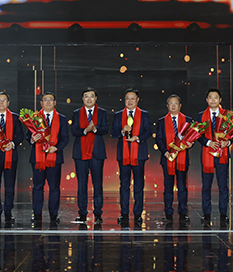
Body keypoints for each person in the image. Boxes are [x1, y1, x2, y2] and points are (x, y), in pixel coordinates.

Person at [111, 87, 152, 226]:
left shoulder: (144, 114)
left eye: (132, 99)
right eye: (127, 98)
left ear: (137, 100)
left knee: (139, 185)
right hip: (123, 155)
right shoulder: (118, 115)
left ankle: (138, 214)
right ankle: (124, 214)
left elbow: (148, 131)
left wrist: (138, 138)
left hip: (139, 154)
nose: (129, 101)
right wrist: (123, 131)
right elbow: (114, 133)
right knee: (124, 185)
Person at [70, 87, 109, 225]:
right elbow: (74, 130)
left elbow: (105, 129)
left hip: (96, 153)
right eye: (86, 96)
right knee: (82, 184)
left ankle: (98, 213)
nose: (89, 98)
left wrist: (95, 129)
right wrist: (86, 130)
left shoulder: (102, 112)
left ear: (96, 98)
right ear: (83, 98)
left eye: (91, 96)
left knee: (97, 184)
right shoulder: (77, 113)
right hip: (80, 153)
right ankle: (82, 213)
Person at [30, 92, 69, 226]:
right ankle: (37, 214)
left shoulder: (61, 118)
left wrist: (56, 148)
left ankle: (53, 215)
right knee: (37, 187)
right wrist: (32, 139)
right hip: (37, 158)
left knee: (54, 187)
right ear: (41, 103)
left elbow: (65, 138)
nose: (48, 102)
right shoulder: (34, 118)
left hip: (54, 157)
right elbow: (27, 136)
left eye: (50, 100)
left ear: (55, 102)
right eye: (45, 100)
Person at [0, 91, 24, 226]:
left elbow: (20, 135)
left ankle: (8, 213)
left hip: (10, 156)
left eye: (4, 100)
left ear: (8, 103)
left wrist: (12, 144)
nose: (2, 103)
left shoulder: (15, 118)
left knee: (9, 187)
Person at [155, 94, 192, 225]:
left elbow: (191, 137)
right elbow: (159, 139)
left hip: (182, 158)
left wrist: (190, 144)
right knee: (168, 187)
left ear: (180, 105)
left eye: (176, 103)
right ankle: (168, 213)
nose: (173, 105)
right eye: (171, 103)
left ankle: (183, 213)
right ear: (167, 106)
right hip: (167, 159)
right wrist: (165, 152)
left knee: (182, 187)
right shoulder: (162, 121)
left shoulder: (187, 120)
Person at [197, 88, 231, 227]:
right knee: (206, 186)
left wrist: (228, 142)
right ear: (207, 100)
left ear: (220, 100)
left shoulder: (227, 115)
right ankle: (206, 214)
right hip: (207, 154)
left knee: (223, 186)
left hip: (222, 154)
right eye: (210, 97)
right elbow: (197, 135)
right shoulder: (201, 116)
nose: (213, 100)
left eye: (215, 97)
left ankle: (223, 214)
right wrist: (208, 142)